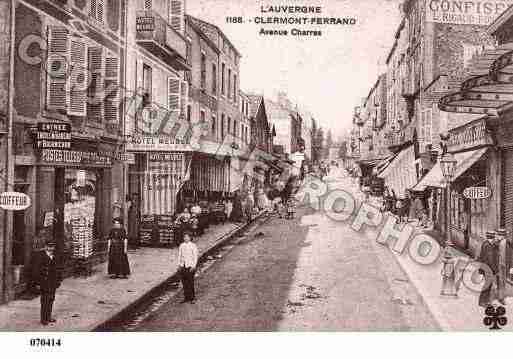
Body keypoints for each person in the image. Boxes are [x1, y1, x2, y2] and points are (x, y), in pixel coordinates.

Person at [36, 242, 61, 325]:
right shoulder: (40, 256)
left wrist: (58, 281)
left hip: (52, 282)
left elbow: (57, 270)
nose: (51, 249)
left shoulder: (54, 256)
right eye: (49, 247)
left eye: (52, 247)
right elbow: (36, 271)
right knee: (45, 301)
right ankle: (43, 319)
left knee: (51, 299)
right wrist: (37, 283)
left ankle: (48, 317)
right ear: (45, 247)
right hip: (44, 282)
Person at [478, 231, 501, 308]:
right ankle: (482, 302)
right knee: (487, 285)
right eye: (494, 237)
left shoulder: (485, 243)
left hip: (485, 268)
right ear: (492, 237)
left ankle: (484, 301)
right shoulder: (488, 246)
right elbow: (490, 259)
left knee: (487, 285)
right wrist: (495, 270)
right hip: (488, 269)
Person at [178, 231, 198, 304]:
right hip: (183, 266)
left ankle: (192, 297)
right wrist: (179, 265)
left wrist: (193, 266)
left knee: (190, 282)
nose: (185, 238)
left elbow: (195, 257)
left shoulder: (193, 246)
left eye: (187, 237)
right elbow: (180, 256)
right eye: (184, 237)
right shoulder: (181, 245)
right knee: (184, 282)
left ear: (190, 238)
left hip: (190, 266)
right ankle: (186, 297)